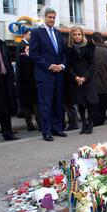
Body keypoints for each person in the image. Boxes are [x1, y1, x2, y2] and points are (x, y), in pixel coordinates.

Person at [30, 7, 67, 142]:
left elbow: (62, 53)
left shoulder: (58, 33)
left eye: (53, 17)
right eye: (49, 17)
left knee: (57, 103)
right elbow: (34, 54)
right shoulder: (36, 33)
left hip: (58, 74)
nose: (52, 20)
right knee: (46, 105)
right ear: (44, 17)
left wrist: (62, 65)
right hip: (45, 75)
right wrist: (49, 66)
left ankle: (57, 128)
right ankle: (46, 132)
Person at [66, 26, 98, 134]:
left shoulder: (89, 47)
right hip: (76, 80)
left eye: (79, 34)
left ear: (82, 35)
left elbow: (93, 65)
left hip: (88, 79)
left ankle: (90, 123)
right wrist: (75, 77)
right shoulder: (68, 49)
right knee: (80, 103)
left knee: (89, 103)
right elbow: (68, 66)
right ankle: (83, 124)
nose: (77, 36)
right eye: (75, 34)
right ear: (72, 36)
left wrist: (85, 77)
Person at [16, 45, 40, 131]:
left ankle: (29, 125)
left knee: (27, 108)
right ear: (24, 50)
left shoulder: (19, 59)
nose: (30, 50)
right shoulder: (30, 60)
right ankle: (40, 125)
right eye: (28, 49)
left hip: (22, 87)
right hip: (31, 87)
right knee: (36, 106)